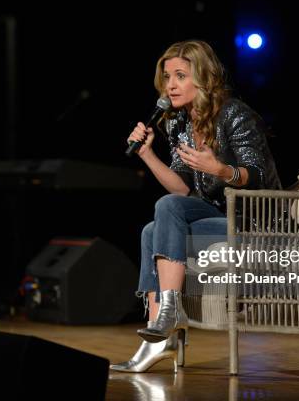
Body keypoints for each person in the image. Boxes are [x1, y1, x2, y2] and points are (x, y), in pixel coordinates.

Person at [110, 40, 281, 373]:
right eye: (167, 76)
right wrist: (147, 154)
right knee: (156, 222)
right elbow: (183, 187)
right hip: (217, 214)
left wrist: (219, 169)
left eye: (180, 75)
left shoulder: (234, 114)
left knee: (157, 224)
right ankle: (161, 333)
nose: (170, 85)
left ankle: (163, 328)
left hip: (253, 219)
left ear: (203, 78)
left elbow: (258, 175)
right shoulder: (178, 123)